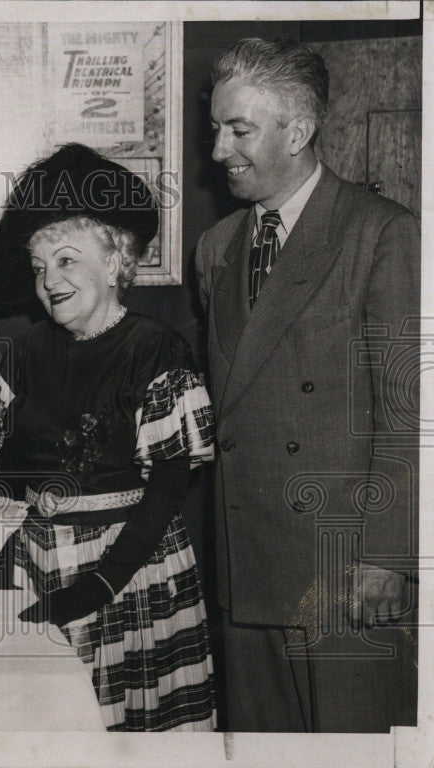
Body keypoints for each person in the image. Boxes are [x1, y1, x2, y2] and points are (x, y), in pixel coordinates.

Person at [195, 38, 418, 732]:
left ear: (298, 131)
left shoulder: (382, 234)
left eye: (239, 130)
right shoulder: (215, 248)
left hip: (340, 570)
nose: (218, 151)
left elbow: (408, 412)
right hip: (246, 558)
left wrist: (387, 555)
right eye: (214, 129)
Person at [0, 144, 217, 731]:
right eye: (40, 267)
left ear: (115, 261)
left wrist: (98, 586)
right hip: (35, 565)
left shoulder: (154, 349)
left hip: (128, 572)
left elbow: (168, 490)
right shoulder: (22, 353)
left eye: (68, 261)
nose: (50, 281)